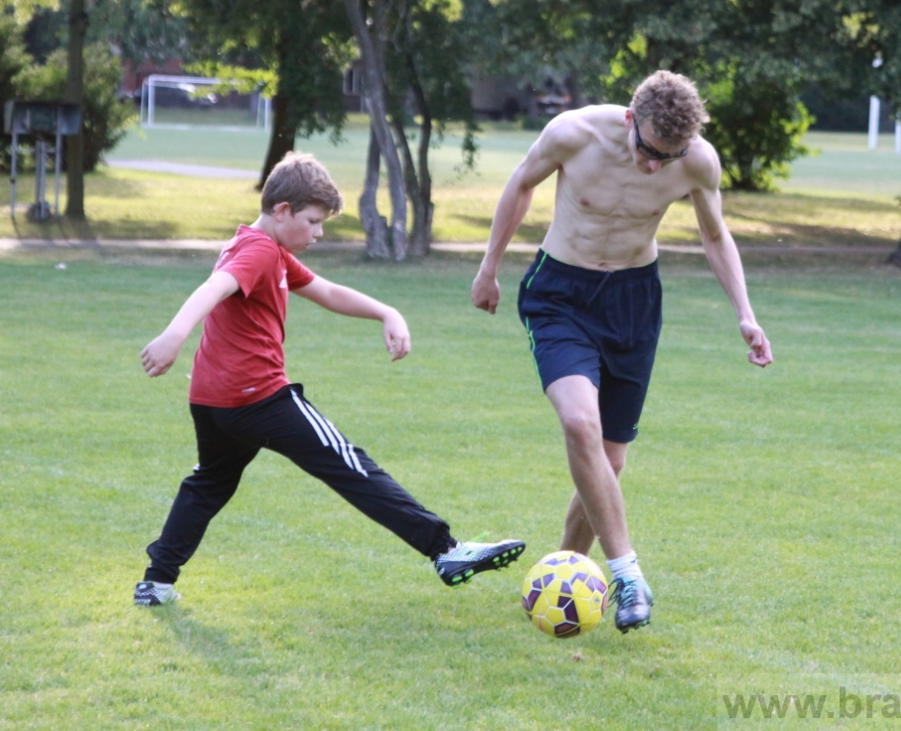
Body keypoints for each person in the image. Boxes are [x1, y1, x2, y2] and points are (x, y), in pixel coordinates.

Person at [134, 153, 523, 606]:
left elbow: (327, 291)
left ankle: (156, 582)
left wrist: (386, 311)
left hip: (212, 400)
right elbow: (213, 288)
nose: (319, 233)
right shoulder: (259, 250)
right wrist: (173, 336)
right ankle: (446, 550)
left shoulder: (267, 250)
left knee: (210, 482)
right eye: (314, 221)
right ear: (282, 211)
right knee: (349, 464)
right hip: (257, 397)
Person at [471, 71, 773, 632]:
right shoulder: (573, 133)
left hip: (633, 302)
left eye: (670, 156)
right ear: (631, 120)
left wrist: (745, 314)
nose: (656, 167)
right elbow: (520, 185)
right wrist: (489, 267)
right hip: (560, 293)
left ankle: (563, 571)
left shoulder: (698, 161)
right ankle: (628, 572)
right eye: (649, 152)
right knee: (580, 425)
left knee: (608, 463)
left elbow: (713, 234)